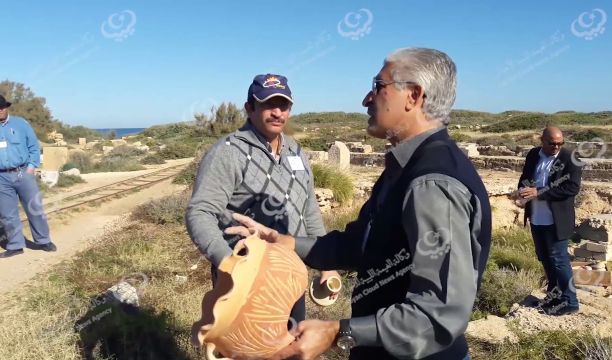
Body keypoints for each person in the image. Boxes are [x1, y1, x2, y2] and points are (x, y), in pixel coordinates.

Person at [226, 48, 492, 360]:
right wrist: (283, 242)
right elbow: (360, 245)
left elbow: (438, 314)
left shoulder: (432, 183)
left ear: (414, 96)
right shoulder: (405, 168)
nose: (367, 99)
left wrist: (338, 331)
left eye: (378, 86)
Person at [185, 74, 339, 324]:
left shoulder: (296, 151)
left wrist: (326, 263)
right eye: (268, 104)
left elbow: (308, 210)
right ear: (249, 108)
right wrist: (228, 265)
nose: (278, 112)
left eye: (284, 105)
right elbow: (200, 213)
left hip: (291, 272)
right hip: (244, 277)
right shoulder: (228, 152)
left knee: (290, 345)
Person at [514, 126, 581, 315]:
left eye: (560, 143)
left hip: (557, 220)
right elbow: (526, 178)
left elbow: (571, 188)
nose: (556, 147)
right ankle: (554, 298)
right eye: (552, 143)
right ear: (541, 140)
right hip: (537, 217)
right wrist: (522, 191)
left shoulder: (570, 158)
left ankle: (570, 302)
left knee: (559, 260)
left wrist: (539, 192)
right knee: (545, 258)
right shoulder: (534, 154)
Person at [0, 94, 57, 258]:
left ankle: (43, 241)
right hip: (2, 178)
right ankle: (15, 245)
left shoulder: (21, 124)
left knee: (35, 208)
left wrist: (31, 168)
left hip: (23, 172)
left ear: (6, 107)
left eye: (2, 107)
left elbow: (33, 147)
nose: (0, 110)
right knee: (7, 214)